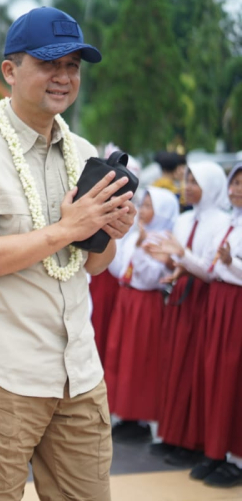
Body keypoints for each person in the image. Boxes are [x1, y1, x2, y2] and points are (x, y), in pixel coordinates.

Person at [0, 7, 136, 500]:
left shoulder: (83, 151)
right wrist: (66, 228)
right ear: (10, 70)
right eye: (50, 63)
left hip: (79, 371)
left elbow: (93, 263)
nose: (63, 77)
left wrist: (109, 230)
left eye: (73, 66)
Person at [145, 162, 230, 467]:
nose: (188, 186)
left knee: (194, 369)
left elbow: (210, 268)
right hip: (181, 297)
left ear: (212, 185)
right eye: (187, 180)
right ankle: (172, 435)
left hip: (203, 303)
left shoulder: (222, 222)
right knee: (174, 364)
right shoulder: (183, 219)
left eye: (196, 181)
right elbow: (180, 258)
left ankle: (192, 441)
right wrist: (169, 263)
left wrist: (181, 256)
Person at [103, 187, 179, 442]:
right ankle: (125, 413)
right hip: (128, 299)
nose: (143, 210)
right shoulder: (136, 234)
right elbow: (118, 268)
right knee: (121, 355)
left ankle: (140, 416)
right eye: (142, 205)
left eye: (149, 206)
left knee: (141, 358)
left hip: (145, 303)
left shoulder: (162, 240)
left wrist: (141, 249)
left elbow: (150, 277)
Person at [191, 162, 242, 487]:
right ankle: (217, 451)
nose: (235, 190)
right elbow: (211, 265)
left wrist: (231, 263)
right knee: (217, 376)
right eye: (234, 184)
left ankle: (235, 457)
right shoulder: (232, 224)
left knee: (233, 379)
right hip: (220, 301)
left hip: (236, 304)